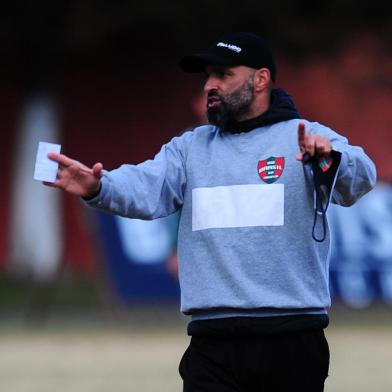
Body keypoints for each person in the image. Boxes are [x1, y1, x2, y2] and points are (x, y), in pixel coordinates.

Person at [45, 32, 377, 391]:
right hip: (211, 343)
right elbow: (147, 187)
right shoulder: (190, 148)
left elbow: (361, 177)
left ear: (260, 79)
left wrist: (329, 161)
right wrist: (99, 186)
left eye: (222, 75)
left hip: (292, 337)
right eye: (208, 76)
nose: (209, 86)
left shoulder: (305, 136)